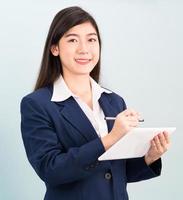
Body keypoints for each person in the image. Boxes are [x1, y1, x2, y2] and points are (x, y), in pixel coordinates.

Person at [20, 6, 170, 200]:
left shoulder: (114, 101)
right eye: (73, 40)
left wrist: (150, 157)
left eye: (91, 40)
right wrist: (111, 138)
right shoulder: (37, 104)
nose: (84, 49)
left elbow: (115, 172)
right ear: (55, 48)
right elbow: (51, 170)